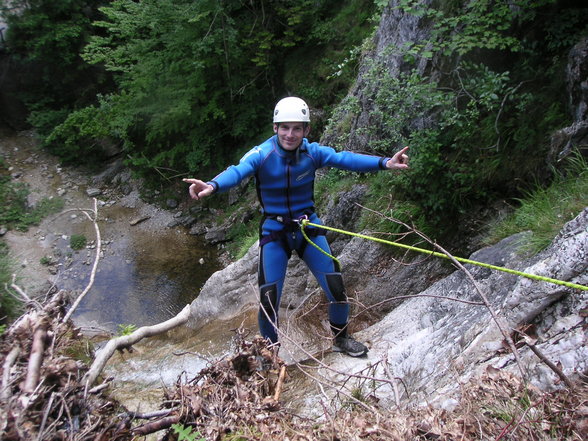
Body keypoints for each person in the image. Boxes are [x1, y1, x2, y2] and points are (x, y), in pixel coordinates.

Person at [184, 96, 408, 357]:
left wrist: (385, 163)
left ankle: (341, 339)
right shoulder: (262, 154)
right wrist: (212, 185)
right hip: (275, 232)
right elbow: (238, 170)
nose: (290, 134)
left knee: (335, 286)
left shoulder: (312, 153)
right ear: (275, 128)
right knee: (269, 299)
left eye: (297, 128)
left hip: (307, 227)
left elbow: (345, 159)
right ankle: (270, 355)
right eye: (284, 127)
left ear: (306, 130)